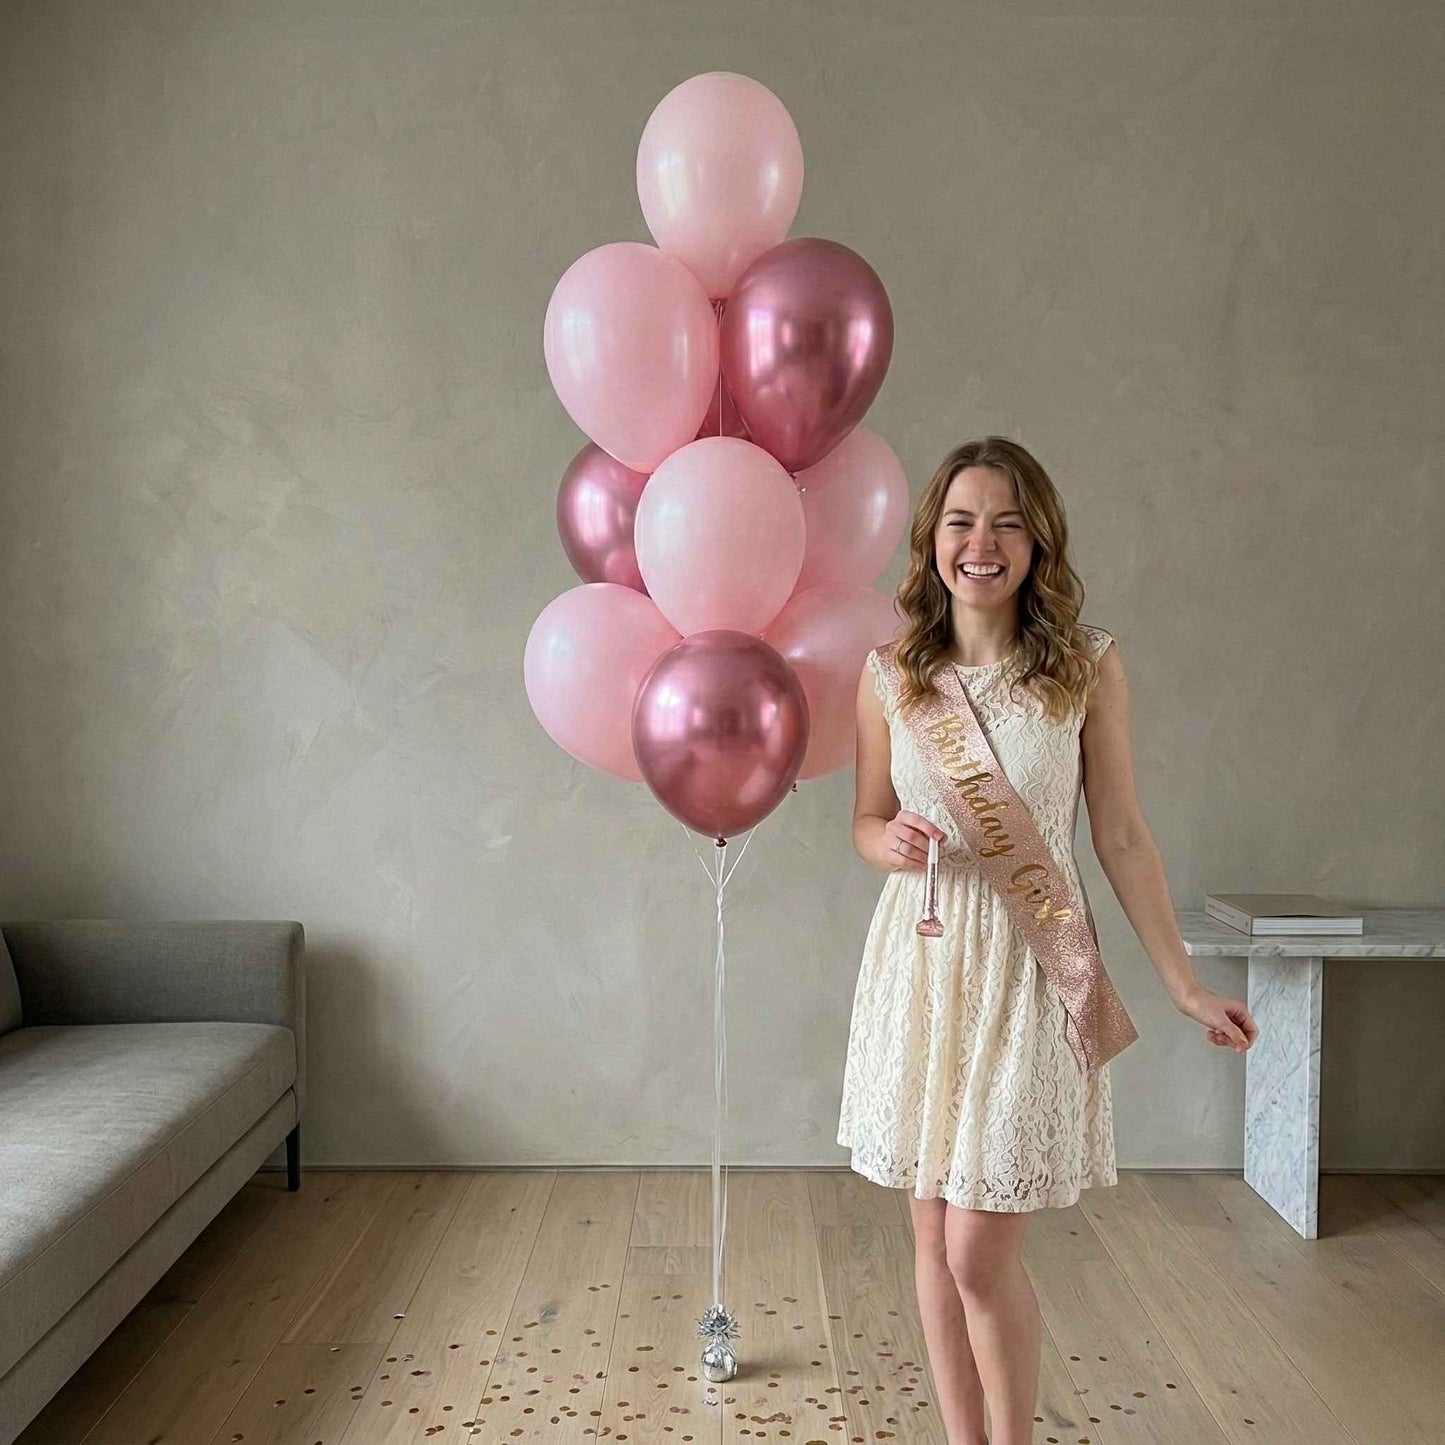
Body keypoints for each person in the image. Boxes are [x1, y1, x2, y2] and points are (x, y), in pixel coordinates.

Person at [836, 436, 1259, 1445]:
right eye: (960, 521)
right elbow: (863, 818)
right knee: (931, 1236)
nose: (980, 543)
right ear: (931, 540)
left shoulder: (1083, 666)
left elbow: (1120, 834)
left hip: (1031, 969)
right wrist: (884, 842)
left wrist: (1182, 984)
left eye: (1006, 523)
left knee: (976, 1251)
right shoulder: (889, 675)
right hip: (924, 963)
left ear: (1037, 543)